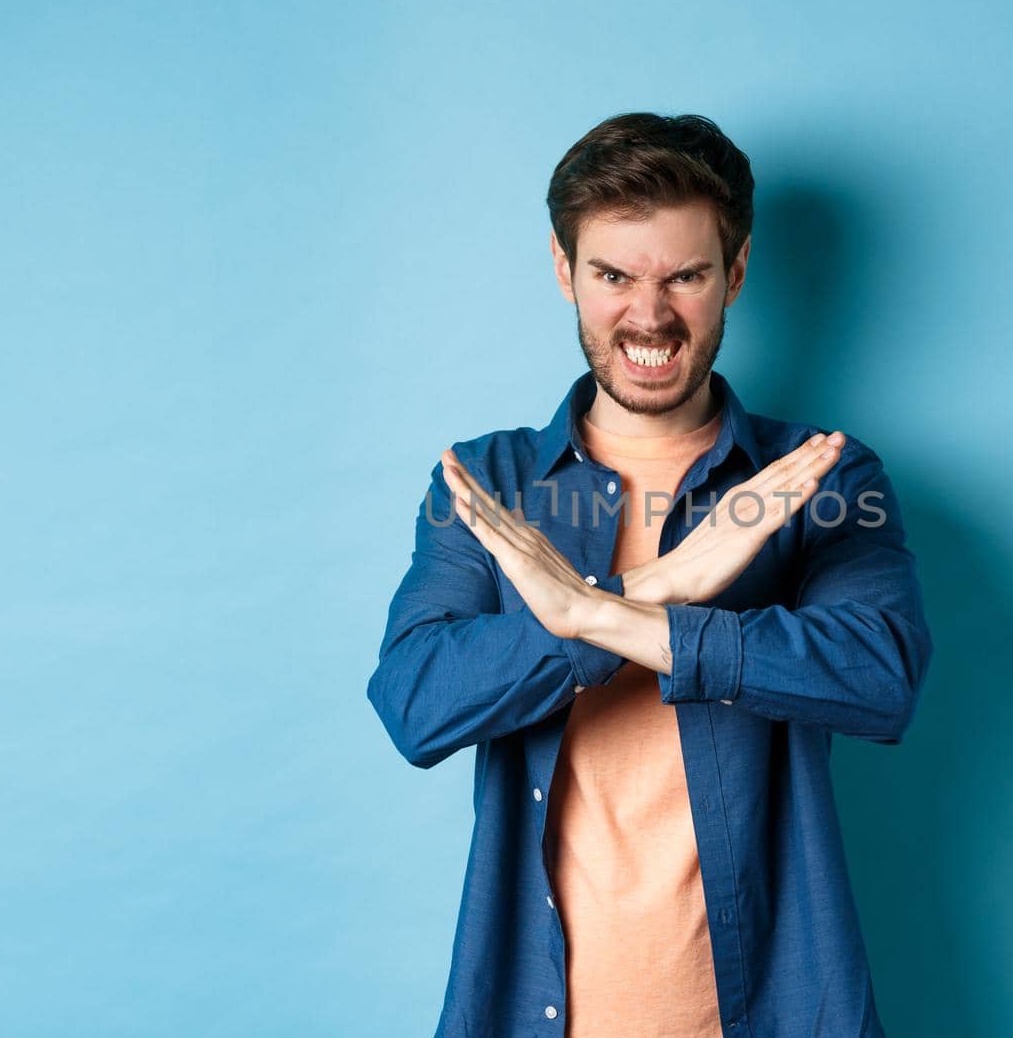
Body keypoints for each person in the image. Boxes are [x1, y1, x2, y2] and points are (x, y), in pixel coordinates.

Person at [366, 112, 934, 1038]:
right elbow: (415, 703)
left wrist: (609, 614)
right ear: (564, 270)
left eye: (686, 276)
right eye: (614, 275)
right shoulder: (486, 485)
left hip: (774, 1012)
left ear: (736, 272)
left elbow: (881, 678)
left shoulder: (824, 478)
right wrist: (663, 583)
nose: (650, 315)